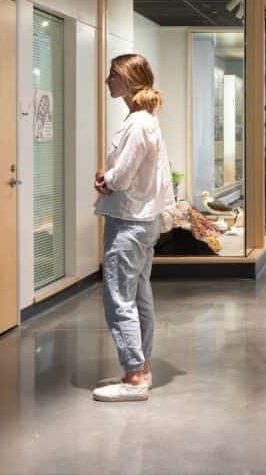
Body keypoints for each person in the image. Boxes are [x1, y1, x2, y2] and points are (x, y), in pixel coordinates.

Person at [92, 54, 174, 402]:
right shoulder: (145, 121)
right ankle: (141, 366)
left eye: (113, 75)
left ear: (128, 80)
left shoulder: (139, 123)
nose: (108, 81)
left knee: (119, 298)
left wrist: (106, 179)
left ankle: (134, 377)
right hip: (143, 221)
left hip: (129, 221)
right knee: (139, 295)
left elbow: (123, 177)